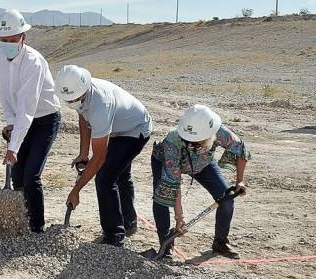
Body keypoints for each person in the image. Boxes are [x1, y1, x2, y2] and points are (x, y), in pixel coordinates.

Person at [57, 65, 152, 247]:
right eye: (69, 100)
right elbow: (83, 118)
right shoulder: (79, 92)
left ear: (84, 90)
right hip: (118, 128)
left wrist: (76, 190)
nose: (72, 102)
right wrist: (83, 153)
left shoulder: (101, 104)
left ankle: (114, 236)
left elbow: (99, 158)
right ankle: (128, 223)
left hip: (135, 130)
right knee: (120, 173)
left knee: (105, 178)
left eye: (75, 98)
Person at [0, 9, 61, 233]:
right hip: (21, 119)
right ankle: (21, 221)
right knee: (18, 176)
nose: (9, 44)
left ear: (24, 38)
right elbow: (6, 98)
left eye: (14, 39)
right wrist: (11, 123)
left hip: (44, 120)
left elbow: (27, 106)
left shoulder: (34, 62)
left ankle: (37, 227)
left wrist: (13, 147)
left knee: (31, 175)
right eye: (4, 40)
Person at [151, 104, 250, 259]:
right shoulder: (172, 142)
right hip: (165, 161)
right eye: (190, 141)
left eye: (198, 142)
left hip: (203, 164)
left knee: (226, 199)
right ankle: (166, 244)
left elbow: (241, 150)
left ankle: (220, 243)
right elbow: (173, 182)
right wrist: (180, 219)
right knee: (162, 199)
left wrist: (240, 181)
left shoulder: (220, 132)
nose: (193, 145)